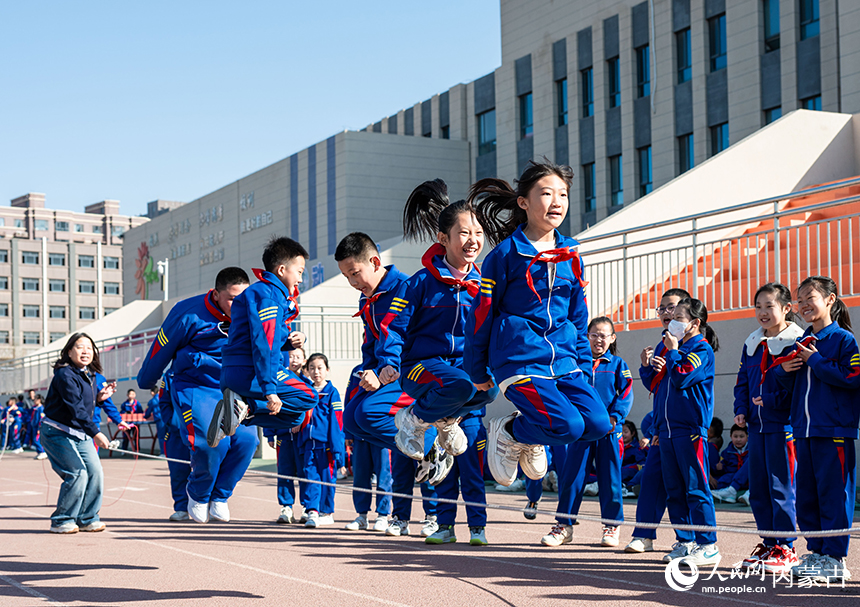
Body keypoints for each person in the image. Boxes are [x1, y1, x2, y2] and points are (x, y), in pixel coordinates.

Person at [465, 160, 612, 487]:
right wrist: (477, 370)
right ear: (523, 202)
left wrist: (582, 364)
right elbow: (482, 314)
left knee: (598, 424)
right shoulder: (504, 256)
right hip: (519, 359)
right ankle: (511, 432)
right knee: (568, 426)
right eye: (546, 193)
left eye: (563, 194)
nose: (557, 201)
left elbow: (578, 317)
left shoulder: (571, 255)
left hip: (564, 362)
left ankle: (523, 433)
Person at [377, 180, 499, 482]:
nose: (473, 240)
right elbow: (394, 324)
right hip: (419, 367)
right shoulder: (419, 283)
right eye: (464, 233)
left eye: (478, 233)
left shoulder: (484, 285)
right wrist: (389, 361)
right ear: (442, 238)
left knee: (490, 388)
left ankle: (447, 419)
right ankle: (414, 419)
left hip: (460, 369)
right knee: (461, 384)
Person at [138, 267, 256, 524]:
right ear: (216, 294)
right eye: (232, 299)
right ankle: (197, 495)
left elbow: (269, 345)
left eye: (243, 299)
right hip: (194, 386)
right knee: (210, 442)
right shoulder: (188, 312)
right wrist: (146, 380)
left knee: (248, 441)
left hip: (232, 387)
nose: (239, 306)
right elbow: (161, 346)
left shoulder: (253, 310)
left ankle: (220, 496)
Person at [776, 276, 860, 582]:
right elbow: (792, 387)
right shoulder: (800, 342)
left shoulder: (844, 340)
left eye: (810, 298)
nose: (804, 305)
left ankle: (835, 558)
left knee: (833, 495)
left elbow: (853, 377)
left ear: (830, 299)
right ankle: (817, 552)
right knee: (807, 497)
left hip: (834, 431)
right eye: (800, 300)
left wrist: (816, 360)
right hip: (804, 431)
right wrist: (784, 371)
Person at [335, 231, 410, 531]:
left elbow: (396, 334)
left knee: (367, 413)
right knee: (352, 420)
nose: (352, 282)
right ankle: (416, 445)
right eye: (346, 277)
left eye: (355, 273)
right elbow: (370, 342)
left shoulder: (404, 287)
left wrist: (385, 370)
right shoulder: (368, 298)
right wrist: (368, 372)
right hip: (382, 374)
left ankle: (430, 444)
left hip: (409, 372)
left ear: (375, 262)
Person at [215, 237, 319, 443]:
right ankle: (246, 406)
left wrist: (289, 342)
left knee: (296, 416)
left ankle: (240, 412)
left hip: (233, 372)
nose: (300, 279)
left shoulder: (260, 292)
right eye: (299, 272)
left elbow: (260, 335)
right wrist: (269, 389)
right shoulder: (269, 296)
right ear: (281, 270)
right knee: (308, 396)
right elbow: (266, 344)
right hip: (249, 371)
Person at [730, 282, 802, 573]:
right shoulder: (752, 343)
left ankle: (787, 547)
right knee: (758, 489)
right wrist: (741, 409)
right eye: (758, 306)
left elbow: (797, 388)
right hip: (756, 427)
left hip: (782, 425)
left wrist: (771, 400)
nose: (762, 312)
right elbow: (742, 382)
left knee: (781, 487)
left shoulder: (797, 342)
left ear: (786, 308)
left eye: (769, 306)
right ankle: (769, 544)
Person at [543, 317, 633, 548]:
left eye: (604, 335)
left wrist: (615, 417)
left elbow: (626, 393)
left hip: (609, 432)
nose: (598, 340)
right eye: (594, 335)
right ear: (586, 337)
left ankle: (611, 526)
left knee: (610, 479)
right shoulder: (575, 365)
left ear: (612, 338)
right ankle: (564, 526)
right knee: (572, 478)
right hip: (582, 431)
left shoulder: (617, 364)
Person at [624, 287, 690, 553]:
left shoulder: (693, 343)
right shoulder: (663, 344)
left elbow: (684, 380)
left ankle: (688, 539)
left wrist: (673, 357)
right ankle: (644, 535)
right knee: (651, 479)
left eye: (671, 307)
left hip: (684, 429)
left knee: (683, 486)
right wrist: (645, 366)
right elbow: (655, 385)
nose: (666, 313)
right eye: (662, 308)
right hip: (661, 427)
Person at [657, 298, 721, 566]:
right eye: (671, 316)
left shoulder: (700, 349)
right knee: (674, 489)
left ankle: (708, 545)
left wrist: (672, 352)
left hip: (690, 430)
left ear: (695, 323)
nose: (672, 321)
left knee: (696, 488)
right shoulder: (677, 349)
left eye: (679, 317)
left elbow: (682, 377)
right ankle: (685, 541)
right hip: (668, 430)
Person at [40, 333, 116, 534]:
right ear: (69, 351)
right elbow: (76, 408)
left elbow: (83, 404)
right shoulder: (64, 374)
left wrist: (99, 399)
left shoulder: (89, 375)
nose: (85, 351)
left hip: (79, 433)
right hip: (57, 431)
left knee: (95, 472)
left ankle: (87, 518)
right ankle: (62, 520)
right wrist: (96, 433)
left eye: (89, 348)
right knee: (77, 473)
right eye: (80, 347)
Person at [424, 407, 489, 546]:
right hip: (442, 423)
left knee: (472, 478)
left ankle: (477, 527)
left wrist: (460, 413)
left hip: (469, 422)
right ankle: (445, 526)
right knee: (444, 478)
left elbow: (485, 395)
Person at [264, 347, 311, 524]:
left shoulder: (307, 382)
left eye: (298, 356)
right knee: (284, 471)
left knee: (304, 471)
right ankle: (286, 507)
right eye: (291, 356)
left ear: (304, 360)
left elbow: (309, 405)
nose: (294, 360)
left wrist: (300, 421)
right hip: (283, 436)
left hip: (302, 437)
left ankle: (307, 507)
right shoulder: (278, 380)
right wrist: (269, 433)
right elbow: (268, 406)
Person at [298, 353, 345, 528]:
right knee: (310, 477)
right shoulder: (306, 391)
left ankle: (327, 512)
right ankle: (312, 511)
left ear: (327, 370)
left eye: (319, 368)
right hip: (308, 444)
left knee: (327, 479)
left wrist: (337, 449)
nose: (316, 372)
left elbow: (337, 422)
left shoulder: (332, 393)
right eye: (312, 368)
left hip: (326, 446)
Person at [158, 372, 193, 521]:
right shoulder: (170, 375)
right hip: (177, 433)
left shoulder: (210, 366)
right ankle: (182, 508)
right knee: (178, 471)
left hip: (204, 432)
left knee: (208, 469)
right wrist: (174, 423)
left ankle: (209, 504)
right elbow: (164, 402)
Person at [711, 424, 750, 503]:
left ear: (747, 437)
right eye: (735, 436)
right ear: (731, 437)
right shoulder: (726, 452)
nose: (738, 439)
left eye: (741, 436)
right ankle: (730, 493)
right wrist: (719, 468)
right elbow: (724, 468)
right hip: (733, 477)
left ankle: (734, 492)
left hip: (748, 478)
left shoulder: (752, 450)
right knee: (719, 482)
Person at [31, 395, 47, 460]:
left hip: (38, 427)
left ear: (39, 400)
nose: (34, 401)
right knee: (34, 440)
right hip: (34, 427)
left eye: (35, 399)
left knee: (37, 440)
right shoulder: (36, 408)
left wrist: (39, 428)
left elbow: (41, 419)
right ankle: (39, 452)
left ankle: (43, 452)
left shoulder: (41, 409)